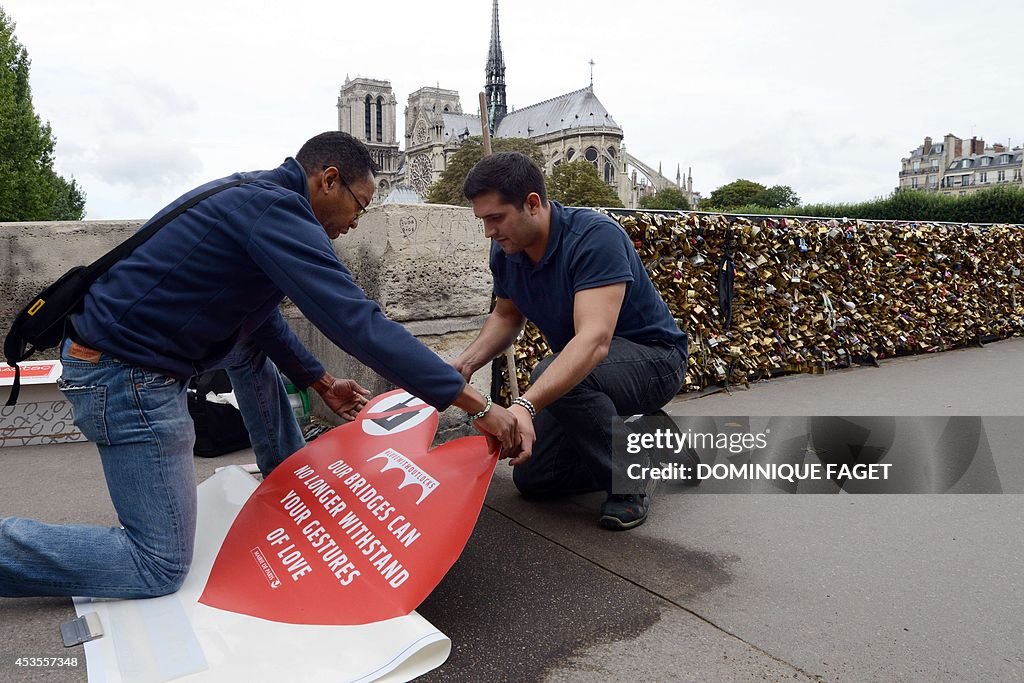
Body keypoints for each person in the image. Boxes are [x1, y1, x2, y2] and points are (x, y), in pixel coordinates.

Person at [0, 132, 517, 599]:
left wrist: (319, 380)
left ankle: (286, 472)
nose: (357, 222)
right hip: (125, 377)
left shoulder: (258, 198)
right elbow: (357, 323)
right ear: (328, 180)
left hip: (121, 359)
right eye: (359, 205)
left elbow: (259, 319)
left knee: (246, 347)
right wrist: (474, 404)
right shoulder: (278, 214)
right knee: (157, 565)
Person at [452, 152, 688, 530]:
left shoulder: (595, 238)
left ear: (532, 203)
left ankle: (626, 483)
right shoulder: (507, 249)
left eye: (496, 218)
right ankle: (648, 442)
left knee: (552, 371)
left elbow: (594, 341)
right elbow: (507, 316)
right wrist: (463, 365)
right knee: (535, 480)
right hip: (590, 373)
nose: (488, 232)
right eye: (483, 220)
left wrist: (525, 407)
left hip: (655, 361)